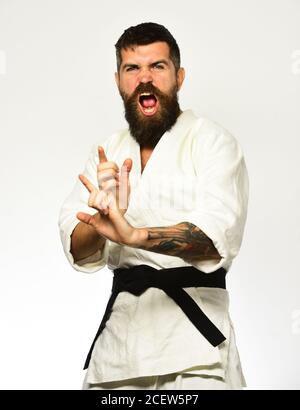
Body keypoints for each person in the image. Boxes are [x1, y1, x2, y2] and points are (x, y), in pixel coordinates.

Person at [58, 22, 249, 390]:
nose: (145, 79)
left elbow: (214, 239)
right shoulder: (108, 152)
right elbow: (76, 248)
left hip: (196, 346)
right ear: (118, 81)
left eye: (157, 67)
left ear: (179, 76)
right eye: (133, 69)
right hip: (118, 349)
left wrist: (134, 234)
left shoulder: (211, 142)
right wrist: (99, 222)